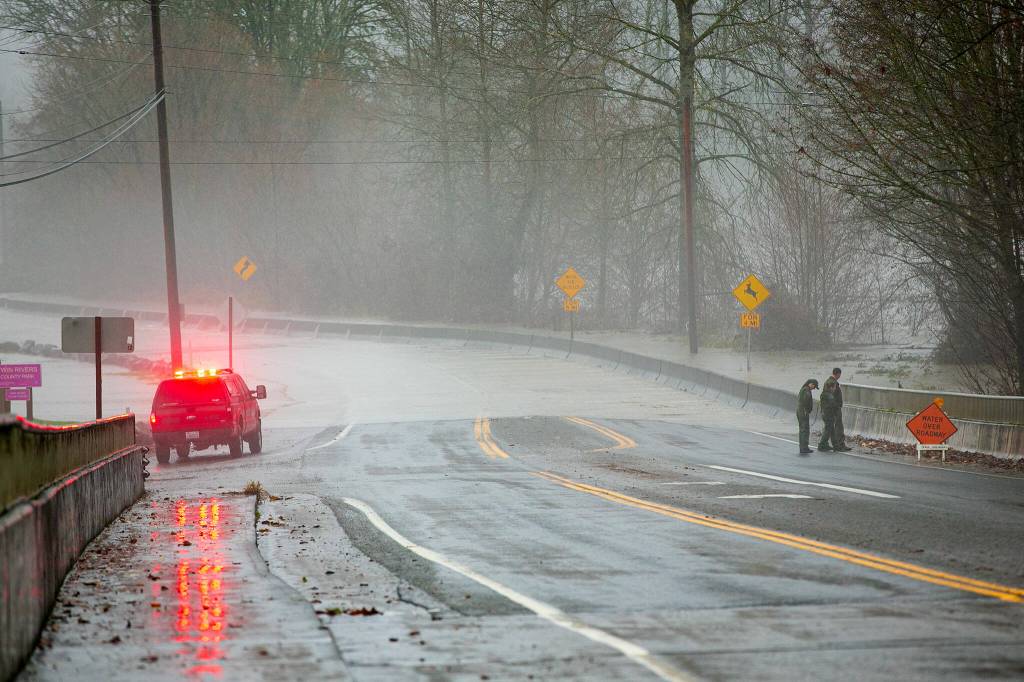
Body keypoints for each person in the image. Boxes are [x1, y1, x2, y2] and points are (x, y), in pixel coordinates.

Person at [818, 367, 852, 452]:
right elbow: (830, 397)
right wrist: (835, 406)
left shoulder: (830, 381)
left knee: (831, 428)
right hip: (833, 408)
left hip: (831, 408)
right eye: (840, 374)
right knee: (838, 426)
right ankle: (839, 445)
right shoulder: (832, 383)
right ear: (838, 374)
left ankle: (836, 445)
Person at [796, 379, 819, 454]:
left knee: (804, 429)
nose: (814, 388)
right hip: (803, 412)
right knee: (804, 430)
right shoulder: (806, 390)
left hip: (802, 411)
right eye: (814, 386)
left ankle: (804, 447)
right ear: (811, 384)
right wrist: (807, 410)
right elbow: (805, 401)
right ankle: (803, 448)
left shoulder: (805, 389)